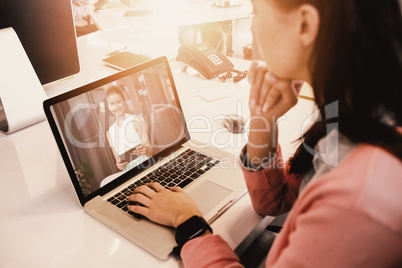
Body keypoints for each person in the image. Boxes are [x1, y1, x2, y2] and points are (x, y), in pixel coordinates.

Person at [127, 0, 402, 267]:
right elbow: (273, 202)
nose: (253, 28)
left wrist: (188, 221)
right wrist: (264, 118)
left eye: (256, 12)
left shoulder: (360, 200)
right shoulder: (355, 116)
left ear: (305, 24)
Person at [105, 86, 153, 172]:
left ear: (124, 101)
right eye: (112, 104)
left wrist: (145, 150)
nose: (116, 107)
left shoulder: (136, 120)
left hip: (145, 168)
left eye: (118, 102)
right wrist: (119, 165)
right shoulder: (109, 133)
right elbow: (119, 163)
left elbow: (150, 152)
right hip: (128, 173)